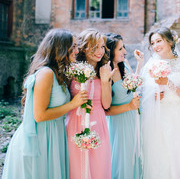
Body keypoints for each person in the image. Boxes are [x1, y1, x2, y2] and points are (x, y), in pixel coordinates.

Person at [2, 29, 88, 179]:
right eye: (73, 46)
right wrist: (73, 104)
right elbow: (40, 115)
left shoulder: (57, 74)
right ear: (61, 48)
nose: (77, 50)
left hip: (54, 136)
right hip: (40, 139)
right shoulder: (46, 73)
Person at [141, 27, 180, 179]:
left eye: (159, 41)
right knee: (160, 153)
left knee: (177, 154)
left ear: (169, 41)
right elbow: (144, 91)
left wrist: (167, 82)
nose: (155, 45)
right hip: (159, 114)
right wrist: (154, 95)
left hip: (178, 113)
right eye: (153, 43)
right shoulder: (151, 64)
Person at [66, 28, 114, 179]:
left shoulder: (105, 69)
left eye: (101, 47)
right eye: (94, 47)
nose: (99, 51)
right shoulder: (72, 69)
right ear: (83, 48)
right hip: (75, 121)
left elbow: (106, 104)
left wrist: (105, 81)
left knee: (99, 165)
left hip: (98, 122)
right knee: (76, 165)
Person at [105, 33, 143, 179]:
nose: (125, 52)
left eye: (124, 48)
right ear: (110, 51)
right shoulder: (106, 72)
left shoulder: (125, 65)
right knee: (122, 163)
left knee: (135, 158)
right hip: (119, 124)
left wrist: (140, 63)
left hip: (133, 118)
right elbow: (106, 110)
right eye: (120, 49)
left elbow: (134, 86)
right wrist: (129, 106)